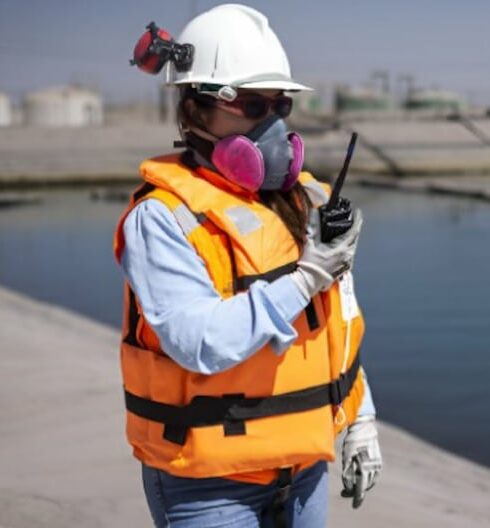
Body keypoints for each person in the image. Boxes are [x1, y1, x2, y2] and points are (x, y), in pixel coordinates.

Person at [114, 5, 381, 527]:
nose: (274, 122)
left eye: (280, 104)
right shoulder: (162, 218)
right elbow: (199, 342)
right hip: (209, 487)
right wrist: (306, 277)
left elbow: (337, 324)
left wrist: (361, 421)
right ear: (195, 110)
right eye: (254, 105)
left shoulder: (307, 199)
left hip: (304, 469)